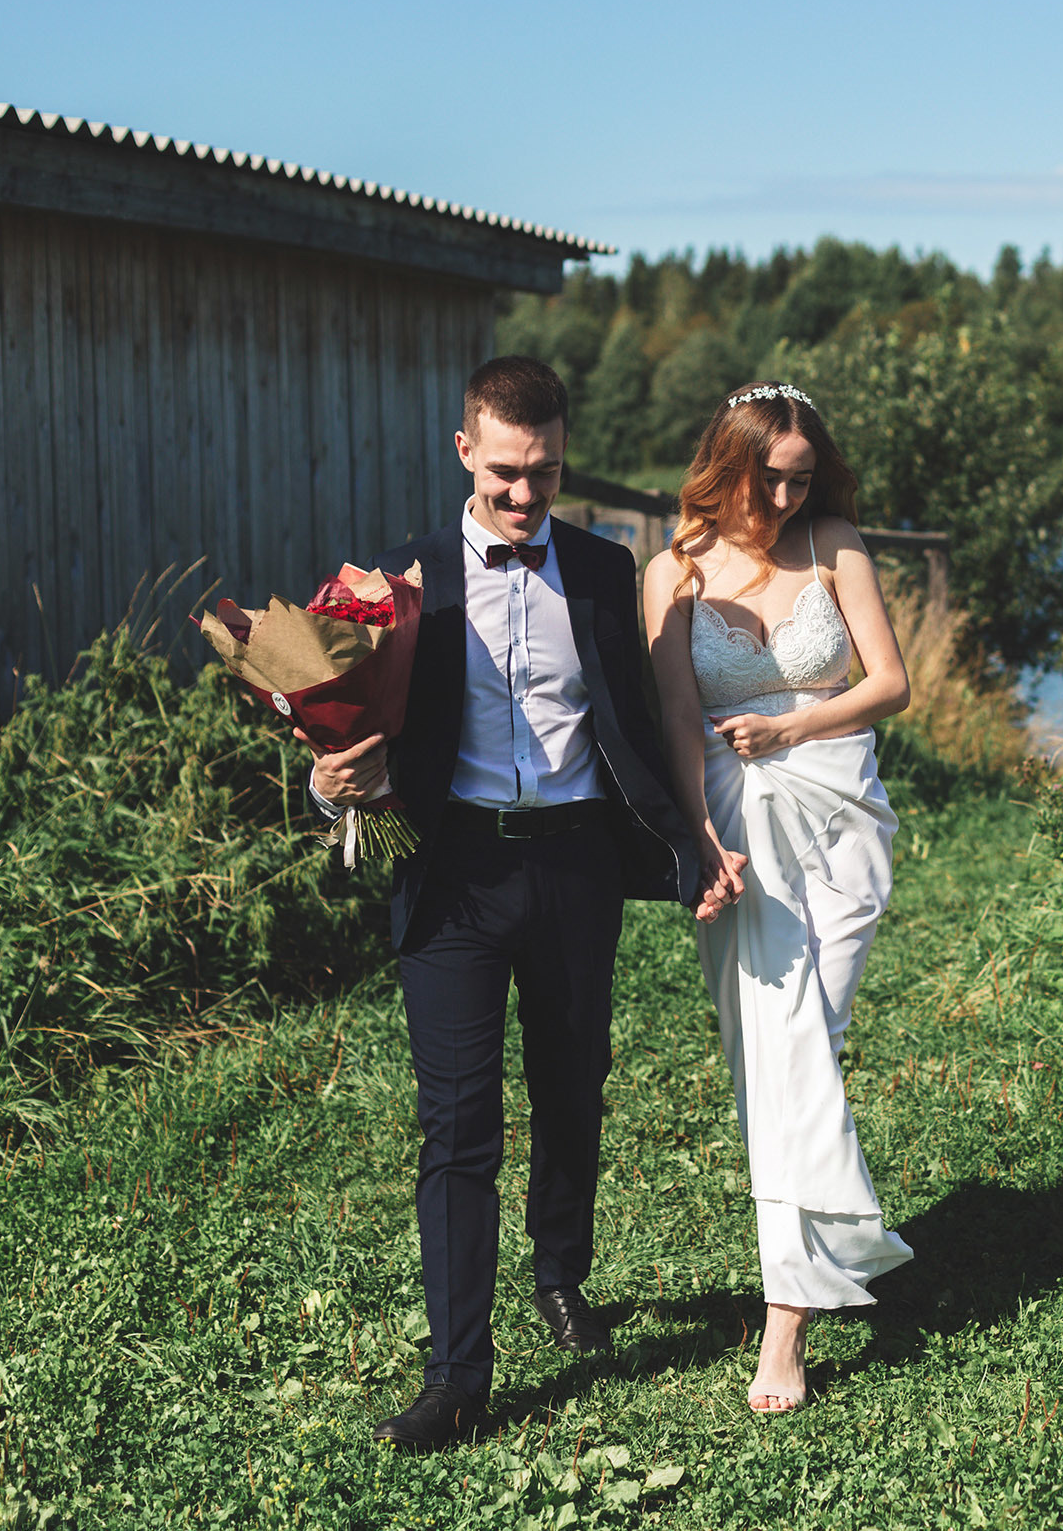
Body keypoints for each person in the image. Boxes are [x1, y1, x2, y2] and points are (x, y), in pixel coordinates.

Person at [307, 356, 734, 1452]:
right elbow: (338, 727)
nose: (522, 495)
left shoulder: (602, 568)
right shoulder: (389, 585)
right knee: (457, 1128)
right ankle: (457, 1374)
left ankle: (559, 1273)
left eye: (542, 473)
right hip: (451, 878)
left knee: (573, 1088)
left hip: (576, 867)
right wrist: (327, 782)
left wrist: (696, 839)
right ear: (464, 452)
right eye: (504, 472)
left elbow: (642, 720)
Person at [640, 381, 916, 1415]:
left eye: (803, 479)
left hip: (839, 813)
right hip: (730, 824)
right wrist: (696, 837)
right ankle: (794, 1302)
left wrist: (789, 730)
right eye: (772, 478)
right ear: (730, 460)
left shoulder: (835, 542)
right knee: (772, 1053)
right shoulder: (669, 568)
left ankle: (785, 1322)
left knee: (803, 1037)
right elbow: (674, 714)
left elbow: (889, 683)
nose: (789, 497)